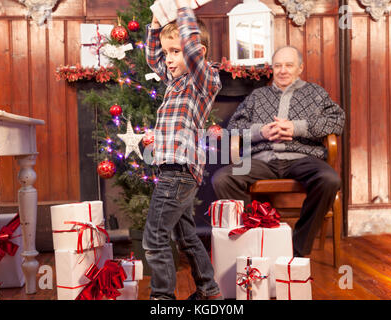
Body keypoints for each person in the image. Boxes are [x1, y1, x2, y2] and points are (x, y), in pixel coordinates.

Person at [212, 46, 345, 258]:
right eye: (278, 65)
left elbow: (337, 121)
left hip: (302, 158)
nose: (283, 70)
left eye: (289, 65)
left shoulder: (316, 94)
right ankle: (258, 238)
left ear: (300, 67)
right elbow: (234, 127)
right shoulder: (258, 95)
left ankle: (298, 248)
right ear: (272, 69)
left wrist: (297, 128)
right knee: (222, 179)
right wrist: (260, 132)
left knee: (329, 180)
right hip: (263, 160)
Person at [143, 0, 222, 300]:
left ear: (197, 53)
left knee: (154, 237)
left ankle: (162, 299)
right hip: (175, 171)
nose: (170, 59)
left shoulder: (204, 80)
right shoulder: (174, 81)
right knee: (185, 235)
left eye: (175, 52)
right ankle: (208, 289)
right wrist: (154, 22)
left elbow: (190, 48)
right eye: (168, 53)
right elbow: (152, 58)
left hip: (179, 170)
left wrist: (183, 8)